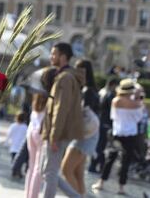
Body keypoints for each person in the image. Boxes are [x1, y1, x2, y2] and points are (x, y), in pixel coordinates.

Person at [41, 42, 84, 198]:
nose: (51, 57)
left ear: (63, 57)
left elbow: (61, 109)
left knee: (50, 173)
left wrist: (54, 136)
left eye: (54, 54)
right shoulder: (63, 76)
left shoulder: (65, 78)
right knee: (45, 171)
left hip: (57, 134)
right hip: (55, 132)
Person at [92, 78, 145, 195]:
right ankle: (121, 187)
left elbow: (113, 117)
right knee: (125, 161)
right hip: (130, 135)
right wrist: (139, 96)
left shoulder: (116, 100)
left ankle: (101, 182)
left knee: (110, 159)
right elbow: (139, 117)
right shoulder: (136, 103)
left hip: (117, 133)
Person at [60, 59, 100, 197]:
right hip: (88, 133)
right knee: (78, 172)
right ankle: (81, 195)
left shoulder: (87, 90)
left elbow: (82, 113)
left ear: (84, 71)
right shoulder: (91, 89)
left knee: (66, 169)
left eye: (78, 69)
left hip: (84, 133)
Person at [24, 66, 56, 198]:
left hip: (31, 129)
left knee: (32, 168)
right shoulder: (51, 96)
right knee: (38, 169)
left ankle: (28, 195)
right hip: (41, 132)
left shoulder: (37, 93)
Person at [88, 77, 119, 173]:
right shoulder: (110, 95)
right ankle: (96, 166)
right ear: (113, 85)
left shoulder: (102, 91)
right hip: (105, 123)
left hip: (100, 121)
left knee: (99, 145)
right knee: (101, 146)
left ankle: (98, 165)